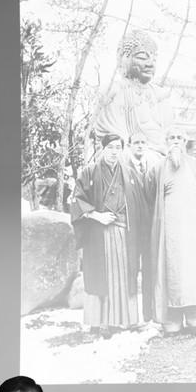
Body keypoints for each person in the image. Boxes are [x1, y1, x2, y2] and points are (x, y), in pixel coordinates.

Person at [70, 134, 146, 338]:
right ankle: (98, 323)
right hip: (98, 232)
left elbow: (140, 204)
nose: (114, 152)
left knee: (123, 276)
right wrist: (97, 215)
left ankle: (122, 320)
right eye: (110, 147)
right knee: (99, 276)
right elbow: (77, 200)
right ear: (102, 149)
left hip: (124, 232)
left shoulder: (130, 173)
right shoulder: (89, 172)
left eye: (118, 148)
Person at [148, 129, 196, 337]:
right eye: (172, 138)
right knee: (171, 272)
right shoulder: (157, 168)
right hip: (168, 228)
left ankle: (195, 321)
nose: (176, 141)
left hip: (193, 227)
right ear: (166, 141)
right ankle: (172, 323)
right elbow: (150, 197)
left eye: (179, 138)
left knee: (194, 272)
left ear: (185, 141)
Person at [93, 29, 173, 156]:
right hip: (128, 155)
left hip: (159, 155)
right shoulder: (114, 92)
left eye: (154, 59)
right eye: (142, 58)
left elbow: (169, 136)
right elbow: (113, 139)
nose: (150, 64)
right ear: (123, 59)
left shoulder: (160, 95)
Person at [125, 132, 156, 322]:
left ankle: (148, 314)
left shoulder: (153, 167)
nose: (140, 146)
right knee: (131, 269)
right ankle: (130, 315)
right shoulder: (123, 168)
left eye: (143, 142)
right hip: (131, 227)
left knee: (150, 270)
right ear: (129, 145)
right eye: (136, 142)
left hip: (150, 226)